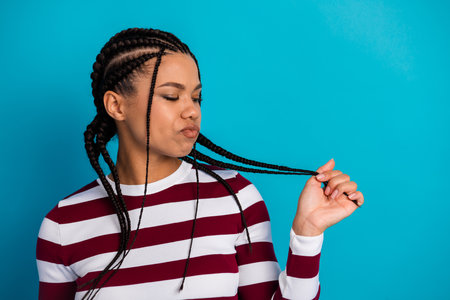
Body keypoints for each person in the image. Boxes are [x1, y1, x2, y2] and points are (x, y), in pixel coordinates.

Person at [36, 28, 364, 300]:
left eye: (196, 97)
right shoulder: (62, 225)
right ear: (116, 106)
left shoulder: (234, 197)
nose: (192, 110)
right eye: (171, 95)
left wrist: (306, 235)